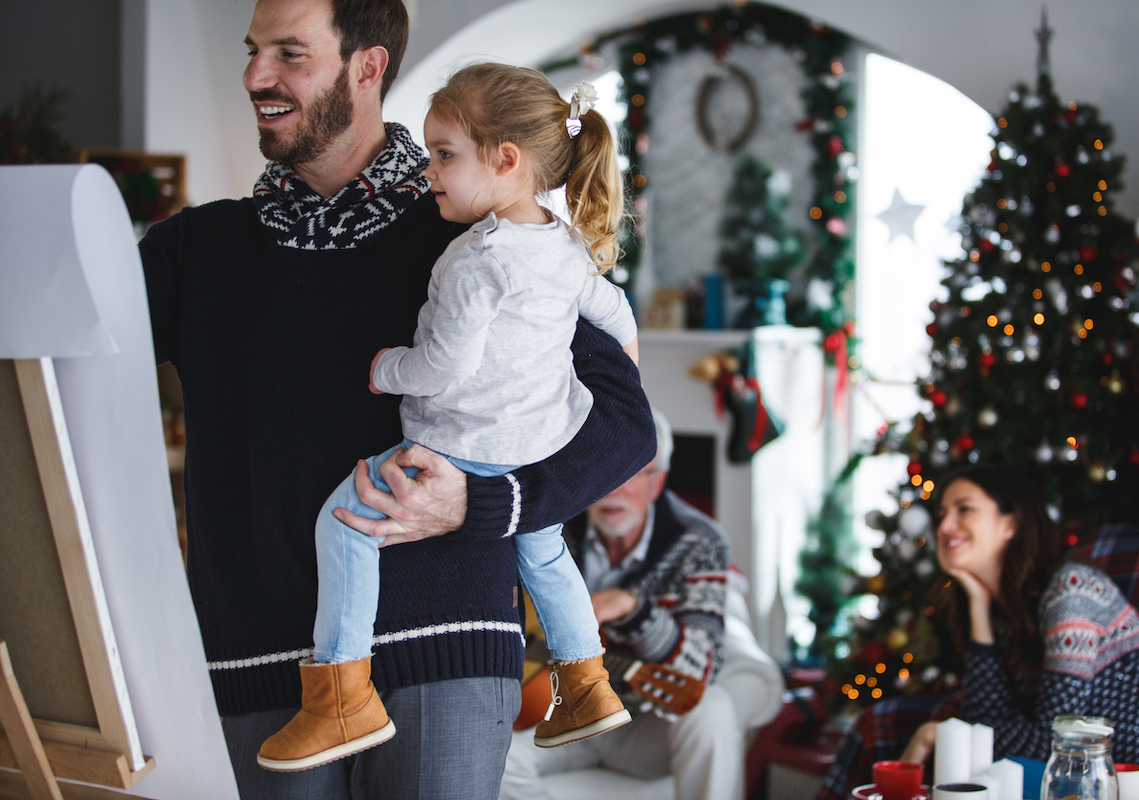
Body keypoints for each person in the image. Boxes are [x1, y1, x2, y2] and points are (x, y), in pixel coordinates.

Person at [137, 0, 654, 797]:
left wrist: (483, 506)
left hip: (444, 654)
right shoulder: (191, 252)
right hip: (259, 666)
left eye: (288, 53)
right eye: (251, 51)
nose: (254, 76)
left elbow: (625, 428)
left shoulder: (483, 233)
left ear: (367, 67)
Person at [256, 64, 636, 771]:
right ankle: (585, 684)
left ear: (506, 159)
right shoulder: (561, 241)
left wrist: (385, 368)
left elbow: (443, 366)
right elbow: (614, 315)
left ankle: (341, 695)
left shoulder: (474, 259)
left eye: (445, 154)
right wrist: (628, 365)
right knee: (545, 553)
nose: (431, 170)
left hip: (459, 447)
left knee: (345, 526)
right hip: (536, 447)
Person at [818, 464, 1139, 800]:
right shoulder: (1008, 612)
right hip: (1085, 777)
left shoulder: (1073, 592)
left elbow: (1050, 745)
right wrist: (979, 605)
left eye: (964, 509)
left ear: (1010, 524)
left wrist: (936, 732)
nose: (944, 526)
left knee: (988, 778)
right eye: (941, 514)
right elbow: (984, 718)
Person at [500, 409, 745, 800]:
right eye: (605, 472)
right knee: (494, 752)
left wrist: (634, 609)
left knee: (713, 710)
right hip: (561, 707)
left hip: (644, 720)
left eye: (632, 473)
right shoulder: (553, 525)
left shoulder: (698, 541)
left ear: (659, 480)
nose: (613, 489)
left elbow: (704, 667)